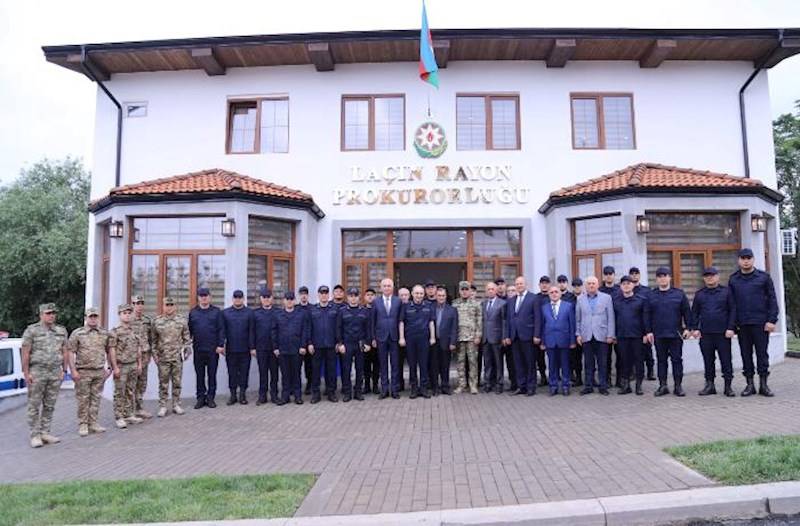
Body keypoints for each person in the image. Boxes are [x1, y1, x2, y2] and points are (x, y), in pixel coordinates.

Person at [728, 248, 779, 397]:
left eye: (748, 258)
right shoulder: (733, 279)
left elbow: (772, 300)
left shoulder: (763, 277)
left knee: (762, 354)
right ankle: (749, 385)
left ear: (753, 259)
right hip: (742, 324)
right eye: (743, 258)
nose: (746, 261)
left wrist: (771, 320)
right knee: (746, 355)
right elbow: (732, 304)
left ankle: (764, 385)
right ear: (739, 260)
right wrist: (732, 325)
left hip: (761, 323)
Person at [21, 303, 69, 448]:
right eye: (48, 313)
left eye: (53, 313)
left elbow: (65, 351)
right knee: (34, 404)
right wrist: (26, 373)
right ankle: (35, 435)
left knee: (50, 404)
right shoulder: (32, 331)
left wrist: (64, 370)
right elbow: (26, 353)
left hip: (55, 372)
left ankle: (45, 432)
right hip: (37, 371)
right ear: (41, 315)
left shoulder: (61, 330)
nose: (51, 316)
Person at [68, 307, 117, 436]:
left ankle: (93, 422)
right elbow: (70, 352)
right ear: (86, 318)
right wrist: (73, 371)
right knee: (83, 399)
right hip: (83, 371)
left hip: (99, 371)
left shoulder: (104, 333)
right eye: (91, 317)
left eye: (95, 316)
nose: (93, 319)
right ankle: (83, 424)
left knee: (96, 398)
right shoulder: (78, 333)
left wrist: (110, 367)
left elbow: (110, 351)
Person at [691, 267, 736, 397]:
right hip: (706, 334)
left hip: (723, 333)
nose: (709, 278)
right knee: (708, 360)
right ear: (704, 278)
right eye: (707, 276)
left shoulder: (727, 292)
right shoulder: (699, 294)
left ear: (718, 277)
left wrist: (731, 327)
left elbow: (733, 310)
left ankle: (728, 386)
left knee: (726, 360)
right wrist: (695, 328)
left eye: (712, 275)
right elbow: (695, 313)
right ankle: (710, 385)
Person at [649, 267, 692, 397]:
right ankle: (663, 386)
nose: (662, 278)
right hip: (659, 334)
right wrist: (648, 331)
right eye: (660, 276)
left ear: (670, 278)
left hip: (675, 334)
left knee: (677, 360)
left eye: (665, 275)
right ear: (656, 279)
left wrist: (688, 328)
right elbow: (646, 314)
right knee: (661, 361)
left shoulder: (679, 294)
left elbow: (687, 312)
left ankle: (678, 386)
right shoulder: (651, 295)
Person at [575, 277, 615, 396]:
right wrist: (578, 334)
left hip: (602, 335)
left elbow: (611, 318)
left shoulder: (606, 298)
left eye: (593, 283)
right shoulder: (580, 299)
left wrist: (610, 335)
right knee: (588, 363)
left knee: (602, 362)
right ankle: (588, 386)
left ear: (597, 285)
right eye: (589, 284)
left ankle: (603, 386)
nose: (591, 285)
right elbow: (578, 319)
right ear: (585, 286)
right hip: (586, 335)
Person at [613, 276, 653, 395]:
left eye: (628, 283)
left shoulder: (641, 300)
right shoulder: (616, 301)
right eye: (623, 283)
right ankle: (626, 386)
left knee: (639, 361)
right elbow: (614, 319)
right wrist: (614, 334)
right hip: (622, 336)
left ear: (633, 285)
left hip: (638, 336)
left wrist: (647, 333)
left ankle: (638, 385)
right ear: (620, 286)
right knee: (624, 361)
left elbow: (646, 317)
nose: (626, 285)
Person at [152, 297, 192, 417]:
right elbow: (153, 341)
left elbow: (187, 339)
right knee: (163, 383)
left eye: (171, 305)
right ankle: (163, 406)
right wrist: (155, 355)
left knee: (177, 382)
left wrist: (186, 352)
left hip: (177, 358)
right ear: (163, 306)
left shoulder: (182, 321)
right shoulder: (157, 321)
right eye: (166, 305)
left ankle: (176, 404)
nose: (169, 307)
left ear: (175, 306)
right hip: (163, 357)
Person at [187, 288, 225, 409]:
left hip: (213, 350)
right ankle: (200, 398)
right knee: (200, 375)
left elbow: (221, 330)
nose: (204, 298)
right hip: (198, 349)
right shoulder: (193, 312)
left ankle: (210, 398)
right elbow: (189, 331)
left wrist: (220, 345)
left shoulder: (216, 312)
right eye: (201, 295)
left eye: (206, 295)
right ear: (198, 297)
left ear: (210, 297)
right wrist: (187, 345)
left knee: (212, 375)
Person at [537, 285, 576, 396]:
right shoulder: (544, 307)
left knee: (565, 365)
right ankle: (553, 386)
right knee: (552, 365)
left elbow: (572, 324)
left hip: (564, 340)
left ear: (560, 294)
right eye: (551, 292)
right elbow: (543, 325)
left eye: (556, 292)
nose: (554, 294)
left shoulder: (568, 306)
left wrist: (572, 341)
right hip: (550, 340)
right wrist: (543, 342)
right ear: (549, 295)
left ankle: (565, 386)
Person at [398, 284, 436, 398]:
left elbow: (431, 322)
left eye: (421, 293)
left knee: (423, 364)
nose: (419, 295)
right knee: (412, 364)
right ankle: (414, 388)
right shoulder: (405, 306)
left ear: (423, 294)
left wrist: (433, 337)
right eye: (416, 293)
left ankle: (423, 388)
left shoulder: (429, 306)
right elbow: (401, 322)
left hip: (424, 339)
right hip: (410, 339)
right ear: (412, 294)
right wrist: (401, 337)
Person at [110, 304, 144, 428]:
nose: (127, 315)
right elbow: (112, 350)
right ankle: (119, 417)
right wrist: (115, 367)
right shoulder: (115, 332)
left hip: (133, 364)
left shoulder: (134, 330)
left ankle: (129, 414)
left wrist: (139, 364)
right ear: (119, 315)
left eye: (129, 313)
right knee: (120, 392)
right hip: (121, 365)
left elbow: (138, 348)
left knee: (130, 391)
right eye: (124, 313)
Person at [273, 291, 310, 405]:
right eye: (287, 299)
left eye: (291, 299)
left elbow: (305, 331)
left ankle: (298, 396)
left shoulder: (301, 314)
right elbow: (274, 332)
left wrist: (303, 346)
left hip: (297, 349)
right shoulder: (278, 315)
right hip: (283, 349)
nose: (289, 301)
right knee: (285, 374)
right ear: (284, 301)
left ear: (294, 301)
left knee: (296, 373)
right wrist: (275, 347)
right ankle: (285, 397)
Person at [504, 276, 538, 396]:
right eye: (517, 284)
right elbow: (508, 319)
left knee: (529, 363)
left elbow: (538, 318)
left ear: (526, 285)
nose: (519, 286)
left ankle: (531, 387)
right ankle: (521, 386)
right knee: (518, 363)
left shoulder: (533, 298)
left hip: (528, 336)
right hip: (514, 337)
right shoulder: (511, 300)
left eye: (521, 284)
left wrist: (536, 335)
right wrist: (507, 335)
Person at [336, 287, 371, 401]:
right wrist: (340, 344)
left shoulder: (364, 311)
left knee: (360, 369)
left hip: (360, 343)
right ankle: (347, 392)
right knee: (346, 369)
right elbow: (338, 328)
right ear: (347, 297)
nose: (353, 298)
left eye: (355, 296)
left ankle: (358, 392)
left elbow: (368, 329)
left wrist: (367, 343)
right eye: (351, 296)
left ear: (359, 297)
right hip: (347, 344)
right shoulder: (342, 311)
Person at [222, 290, 255, 405]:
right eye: (235, 297)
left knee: (244, 372)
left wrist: (252, 347)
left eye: (240, 297)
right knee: (232, 373)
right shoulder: (225, 313)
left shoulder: (250, 313)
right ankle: (233, 395)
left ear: (243, 299)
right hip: (231, 349)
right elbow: (223, 331)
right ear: (232, 299)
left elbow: (252, 331)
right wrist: (222, 345)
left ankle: (242, 395)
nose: (238, 299)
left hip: (245, 349)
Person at [371, 278, 402, 399]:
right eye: (385, 286)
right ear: (381, 288)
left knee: (395, 364)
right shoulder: (376, 302)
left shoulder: (398, 301)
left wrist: (401, 336)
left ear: (393, 287)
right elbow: (372, 321)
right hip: (381, 337)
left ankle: (394, 389)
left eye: (389, 286)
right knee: (383, 364)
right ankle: (384, 389)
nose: (387, 288)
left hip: (394, 337)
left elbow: (400, 320)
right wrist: (373, 338)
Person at [309, 285, 340, 403]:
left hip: (331, 345)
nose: (324, 295)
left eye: (326, 293)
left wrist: (338, 342)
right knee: (316, 371)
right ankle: (315, 394)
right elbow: (309, 328)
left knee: (331, 370)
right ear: (318, 295)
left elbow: (338, 327)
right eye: (322, 293)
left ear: (329, 295)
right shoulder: (313, 310)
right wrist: (309, 343)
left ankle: (331, 392)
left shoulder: (334, 309)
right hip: (317, 345)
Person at [452, 280, 483, 394]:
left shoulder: (477, 304)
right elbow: (453, 322)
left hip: (472, 338)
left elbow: (479, 321)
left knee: (473, 362)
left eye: (466, 289)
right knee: (460, 363)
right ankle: (461, 384)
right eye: (462, 289)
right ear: (459, 291)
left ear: (470, 291)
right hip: (459, 338)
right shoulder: (454, 304)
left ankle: (473, 385)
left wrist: (478, 336)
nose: (464, 292)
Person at [253, 287, 280, 405]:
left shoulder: (278, 312)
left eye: (268, 297)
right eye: (264, 297)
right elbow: (251, 332)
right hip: (261, 348)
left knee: (274, 373)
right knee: (263, 373)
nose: (266, 299)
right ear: (261, 299)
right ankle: (262, 396)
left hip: (275, 349)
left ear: (272, 299)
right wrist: (252, 347)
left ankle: (274, 395)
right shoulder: (255, 313)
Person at [630, 267, 656, 381]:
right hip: (632, 325)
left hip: (644, 324)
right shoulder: (626, 289)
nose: (634, 275)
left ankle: (650, 372)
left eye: (636, 273)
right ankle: (633, 373)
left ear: (639, 275)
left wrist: (649, 329)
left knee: (648, 351)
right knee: (632, 352)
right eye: (632, 274)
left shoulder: (646, 290)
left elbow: (651, 309)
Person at [430, 286, 458, 395]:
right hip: (433, 342)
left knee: (445, 366)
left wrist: (453, 342)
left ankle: (445, 386)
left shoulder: (452, 310)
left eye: (443, 296)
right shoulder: (431, 308)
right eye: (439, 295)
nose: (441, 297)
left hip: (446, 343)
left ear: (446, 297)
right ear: (436, 296)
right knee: (434, 366)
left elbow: (454, 327)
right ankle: (435, 387)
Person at [481, 281, 507, 394]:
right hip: (486, 338)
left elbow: (504, 322)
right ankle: (488, 383)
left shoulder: (502, 303)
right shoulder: (483, 303)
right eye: (488, 289)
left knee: (498, 362)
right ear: (486, 291)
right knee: (487, 362)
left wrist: (503, 337)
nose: (490, 291)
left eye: (492, 289)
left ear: (496, 291)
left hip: (497, 338)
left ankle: (499, 383)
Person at [131, 295, 154, 418]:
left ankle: (139, 408)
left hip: (144, 356)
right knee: (131, 383)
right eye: (136, 303)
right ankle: (129, 410)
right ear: (133, 304)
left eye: (141, 303)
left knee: (142, 383)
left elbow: (151, 338)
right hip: (131, 357)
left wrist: (150, 354)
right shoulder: (128, 319)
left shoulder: (147, 320)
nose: (139, 306)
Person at [599, 266, 622, 388]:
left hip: (619, 327)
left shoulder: (619, 290)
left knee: (621, 356)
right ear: (603, 276)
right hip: (604, 328)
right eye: (606, 273)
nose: (608, 276)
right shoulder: (599, 291)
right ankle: (607, 379)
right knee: (605, 357)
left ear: (614, 275)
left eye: (611, 273)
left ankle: (619, 379)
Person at [496, 278, 517, 391]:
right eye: (497, 285)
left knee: (511, 361)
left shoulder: (511, 301)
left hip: (509, 337)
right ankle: (498, 383)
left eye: (502, 284)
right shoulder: (493, 300)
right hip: (497, 337)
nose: (500, 286)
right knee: (497, 362)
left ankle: (514, 382)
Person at [532, 276, 550, 386]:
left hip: (551, 330)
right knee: (539, 357)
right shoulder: (535, 298)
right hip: (539, 331)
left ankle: (555, 376)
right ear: (539, 285)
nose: (544, 285)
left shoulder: (553, 296)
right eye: (542, 283)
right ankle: (543, 376)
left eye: (546, 283)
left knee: (553, 355)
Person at [362, 288, 380, 395]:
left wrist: (376, 339)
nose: (370, 296)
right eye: (368, 295)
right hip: (365, 343)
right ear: (364, 297)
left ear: (375, 297)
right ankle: (367, 385)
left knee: (377, 365)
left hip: (376, 342)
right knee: (365, 365)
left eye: (372, 295)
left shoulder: (378, 310)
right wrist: (364, 342)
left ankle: (375, 386)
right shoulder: (361, 310)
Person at [566, 277, 583, 387]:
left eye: (579, 285)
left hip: (585, 331)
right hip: (572, 332)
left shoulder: (586, 297)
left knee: (589, 358)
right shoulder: (568, 299)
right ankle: (578, 378)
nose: (577, 288)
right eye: (575, 286)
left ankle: (590, 378)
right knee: (575, 357)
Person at [297, 286, 313, 395]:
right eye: (301, 294)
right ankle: (295, 387)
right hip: (298, 342)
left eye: (305, 294)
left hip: (310, 342)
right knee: (297, 366)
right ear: (299, 295)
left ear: (308, 295)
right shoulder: (295, 308)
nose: (303, 296)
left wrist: (310, 342)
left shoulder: (313, 308)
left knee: (309, 365)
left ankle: (309, 384)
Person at [397, 286, 411, 391]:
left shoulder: (412, 306)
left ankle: (412, 382)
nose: (403, 297)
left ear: (409, 296)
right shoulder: (395, 306)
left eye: (405, 295)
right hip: (397, 340)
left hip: (411, 339)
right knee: (398, 363)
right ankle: (400, 384)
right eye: (401, 295)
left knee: (412, 362)